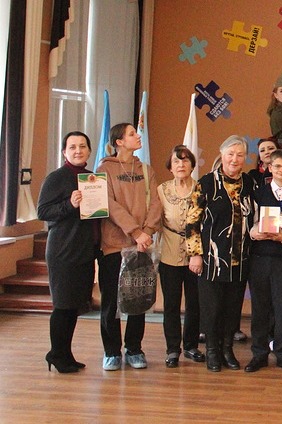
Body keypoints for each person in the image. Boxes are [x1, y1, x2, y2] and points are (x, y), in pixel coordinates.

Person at [186, 135, 256, 372]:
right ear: (222, 154)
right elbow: (192, 221)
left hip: (240, 259)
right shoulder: (206, 183)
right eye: (230, 154)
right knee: (212, 308)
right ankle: (212, 351)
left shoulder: (250, 184)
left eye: (240, 155)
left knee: (232, 308)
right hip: (211, 259)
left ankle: (227, 349)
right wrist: (195, 254)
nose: (235, 159)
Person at [96, 123, 163, 371]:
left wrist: (147, 232)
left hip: (141, 245)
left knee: (138, 299)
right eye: (132, 134)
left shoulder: (146, 169)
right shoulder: (104, 169)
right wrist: (135, 231)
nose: (138, 136)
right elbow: (109, 204)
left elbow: (155, 203)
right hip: (113, 245)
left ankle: (134, 348)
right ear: (119, 141)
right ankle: (111, 351)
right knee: (111, 302)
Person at [37, 131, 99, 373]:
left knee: (73, 306)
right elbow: (43, 212)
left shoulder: (91, 178)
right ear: (64, 152)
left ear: (89, 151)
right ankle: (56, 354)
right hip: (63, 251)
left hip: (84, 250)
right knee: (62, 305)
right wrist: (69, 204)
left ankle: (65, 353)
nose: (78, 151)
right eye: (72, 147)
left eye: (82, 146)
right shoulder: (56, 178)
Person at [245, 149, 282, 373]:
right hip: (260, 258)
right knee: (260, 308)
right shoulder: (258, 193)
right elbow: (250, 224)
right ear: (269, 168)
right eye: (277, 166)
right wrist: (255, 233)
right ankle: (259, 354)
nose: (281, 170)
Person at [157, 145, 205, 368]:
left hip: (196, 254)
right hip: (169, 252)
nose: (181, 165)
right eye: (176, 161)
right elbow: (154, 218)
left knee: (194, 303)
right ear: (170, 167)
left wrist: (199, 254)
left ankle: (191, 346)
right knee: (171, 304)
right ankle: (172, 349)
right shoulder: (162, 190)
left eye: (185, 160)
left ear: (192, 165)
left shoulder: (202, 188)